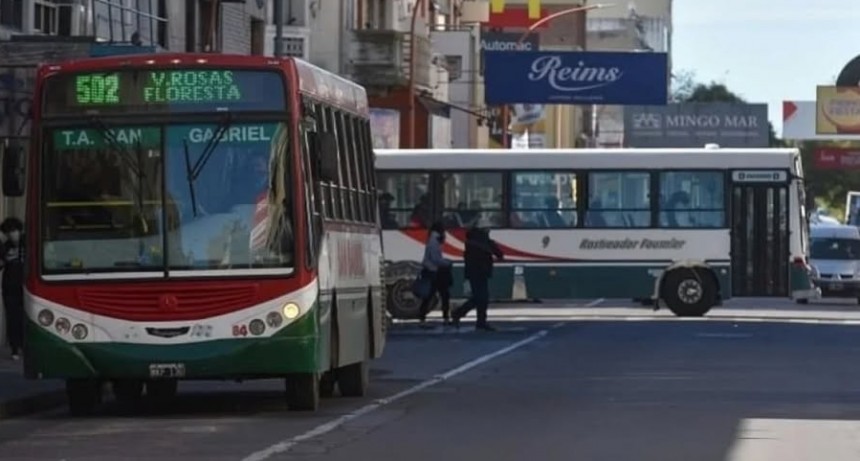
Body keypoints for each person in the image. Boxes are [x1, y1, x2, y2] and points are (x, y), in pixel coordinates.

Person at [452, 226, 504, 331]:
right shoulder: (484, 243)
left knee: (478, 297)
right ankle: (474, 319)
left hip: (473, 273)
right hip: (481, 273)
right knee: (482, 298)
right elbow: (499, 253)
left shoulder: (470, 244)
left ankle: (466, 316)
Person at [417, 221, 453, 326]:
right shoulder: (434, 241)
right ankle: (445, 318)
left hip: (433, 271)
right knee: (442, 295)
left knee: (430, 296)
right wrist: (447, 262)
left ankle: (423, 318)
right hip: (434, 272)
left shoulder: (433, 239)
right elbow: (435, 259)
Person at [0, 217, 24, 360]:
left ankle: (24, 345)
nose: (12, 234)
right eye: (8, 232)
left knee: (25, 316)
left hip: (26, 285)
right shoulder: (5, 246)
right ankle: (15, 347)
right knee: (12, 317)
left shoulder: (27, 243)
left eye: (14, 231)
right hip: (10, 287)